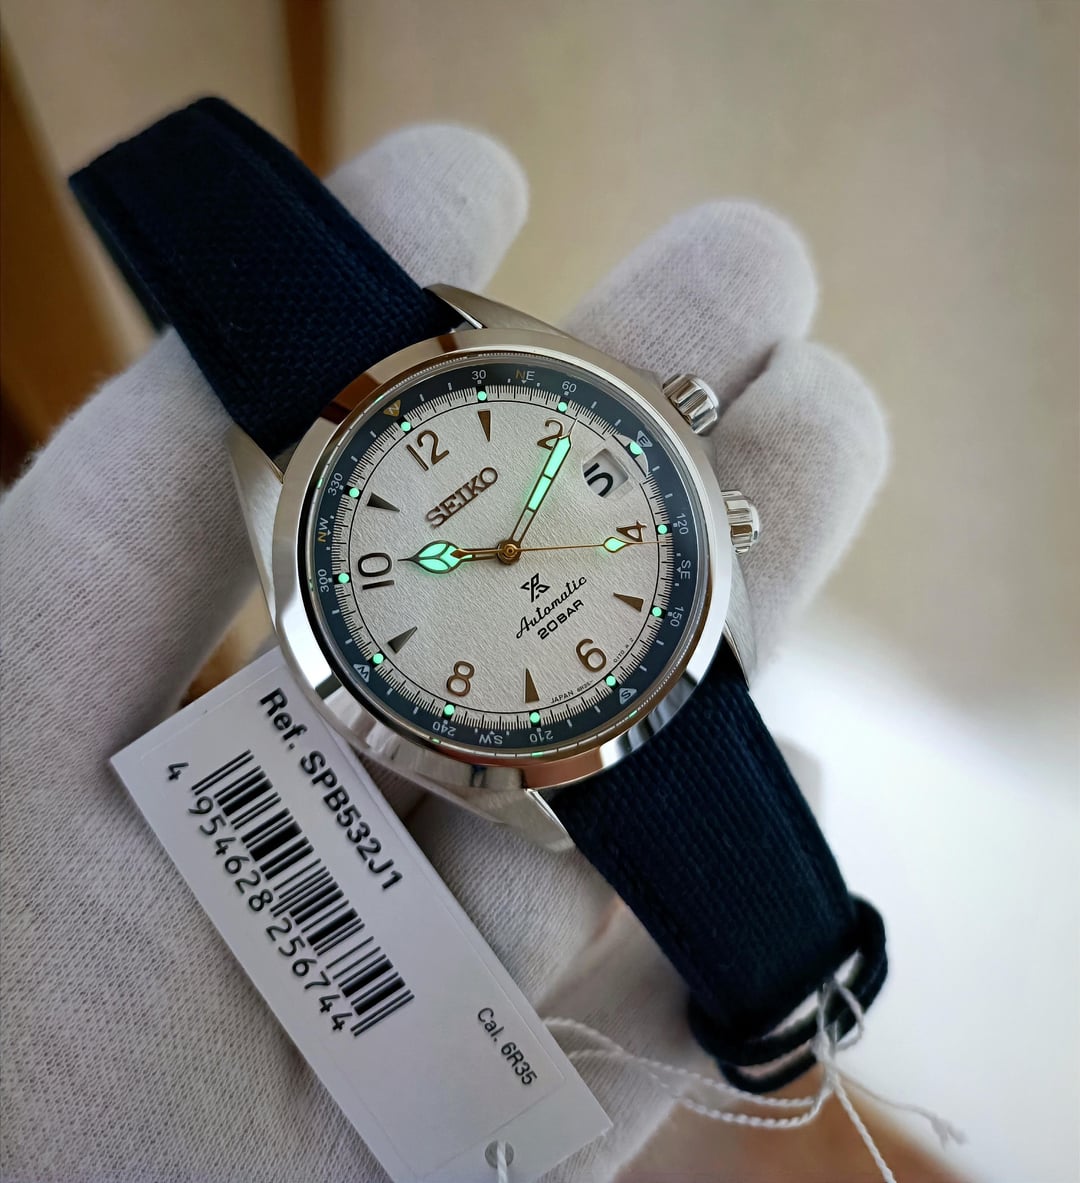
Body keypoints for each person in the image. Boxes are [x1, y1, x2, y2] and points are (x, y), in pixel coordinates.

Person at [0, 123, 886, 1180]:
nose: (507, 553)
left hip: (633, 663)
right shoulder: (341, 575)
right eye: (493, 551)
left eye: (511, 542)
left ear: (677, 440)